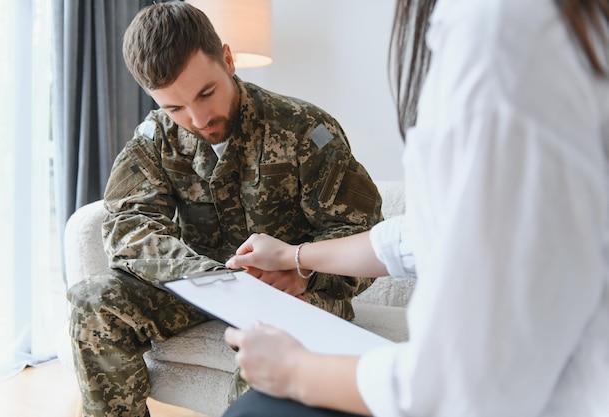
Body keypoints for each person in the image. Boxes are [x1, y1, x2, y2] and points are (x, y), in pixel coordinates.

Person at [222, 0, 609, 416]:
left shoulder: (498, 32)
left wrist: (293, 370)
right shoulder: (552, 22)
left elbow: (457, 386)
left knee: (258, 410)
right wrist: (294, 256)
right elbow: (427, 232)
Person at [66, 2, 384, 417]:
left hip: (292, 293)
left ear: (229, 60)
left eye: (206, 93)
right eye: (174, 108)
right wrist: (211, 279)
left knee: (270, 342)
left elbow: (362, 232)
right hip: (201, 285)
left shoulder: (304, 129)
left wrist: (304, 272)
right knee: (93, 300)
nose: (197, 119)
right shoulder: (156, 138)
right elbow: (129, 228)